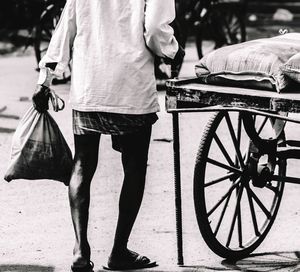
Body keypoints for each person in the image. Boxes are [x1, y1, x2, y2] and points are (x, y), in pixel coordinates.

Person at [32, 0, 185, 271]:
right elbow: (154, 30)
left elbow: (66, 26)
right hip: (131, 86)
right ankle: (118, 251)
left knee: (83, 163)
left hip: (89, 85)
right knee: (135, 167)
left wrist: (45, 79)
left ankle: (81, 249)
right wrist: (173, 50)